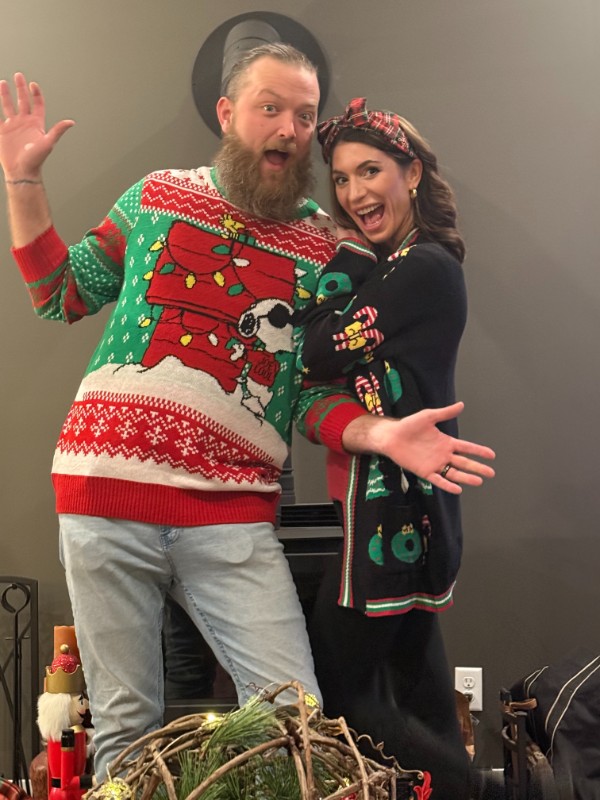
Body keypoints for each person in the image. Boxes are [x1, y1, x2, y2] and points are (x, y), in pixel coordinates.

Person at [0, 48, 494, 782]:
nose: (290, 128)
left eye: (305, 114)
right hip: (102, 501)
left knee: (297, 723)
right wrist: (24, 182)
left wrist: (381, 433)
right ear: (228, 114)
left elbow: (311, 392)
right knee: (127, 731)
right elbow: (59, 293)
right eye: (271, 107)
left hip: (230, 517)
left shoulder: (327, 246)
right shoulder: (156, 195)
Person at [294, 97, 484, 798]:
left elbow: (316, 348)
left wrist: (343, 251)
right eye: (342, 179)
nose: (353, 193)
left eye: (370, 171)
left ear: (411, 172)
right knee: (422, 697)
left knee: (340, 694)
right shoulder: (399, 265)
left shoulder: (420, 266)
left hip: (388, 510)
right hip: (405, 505)